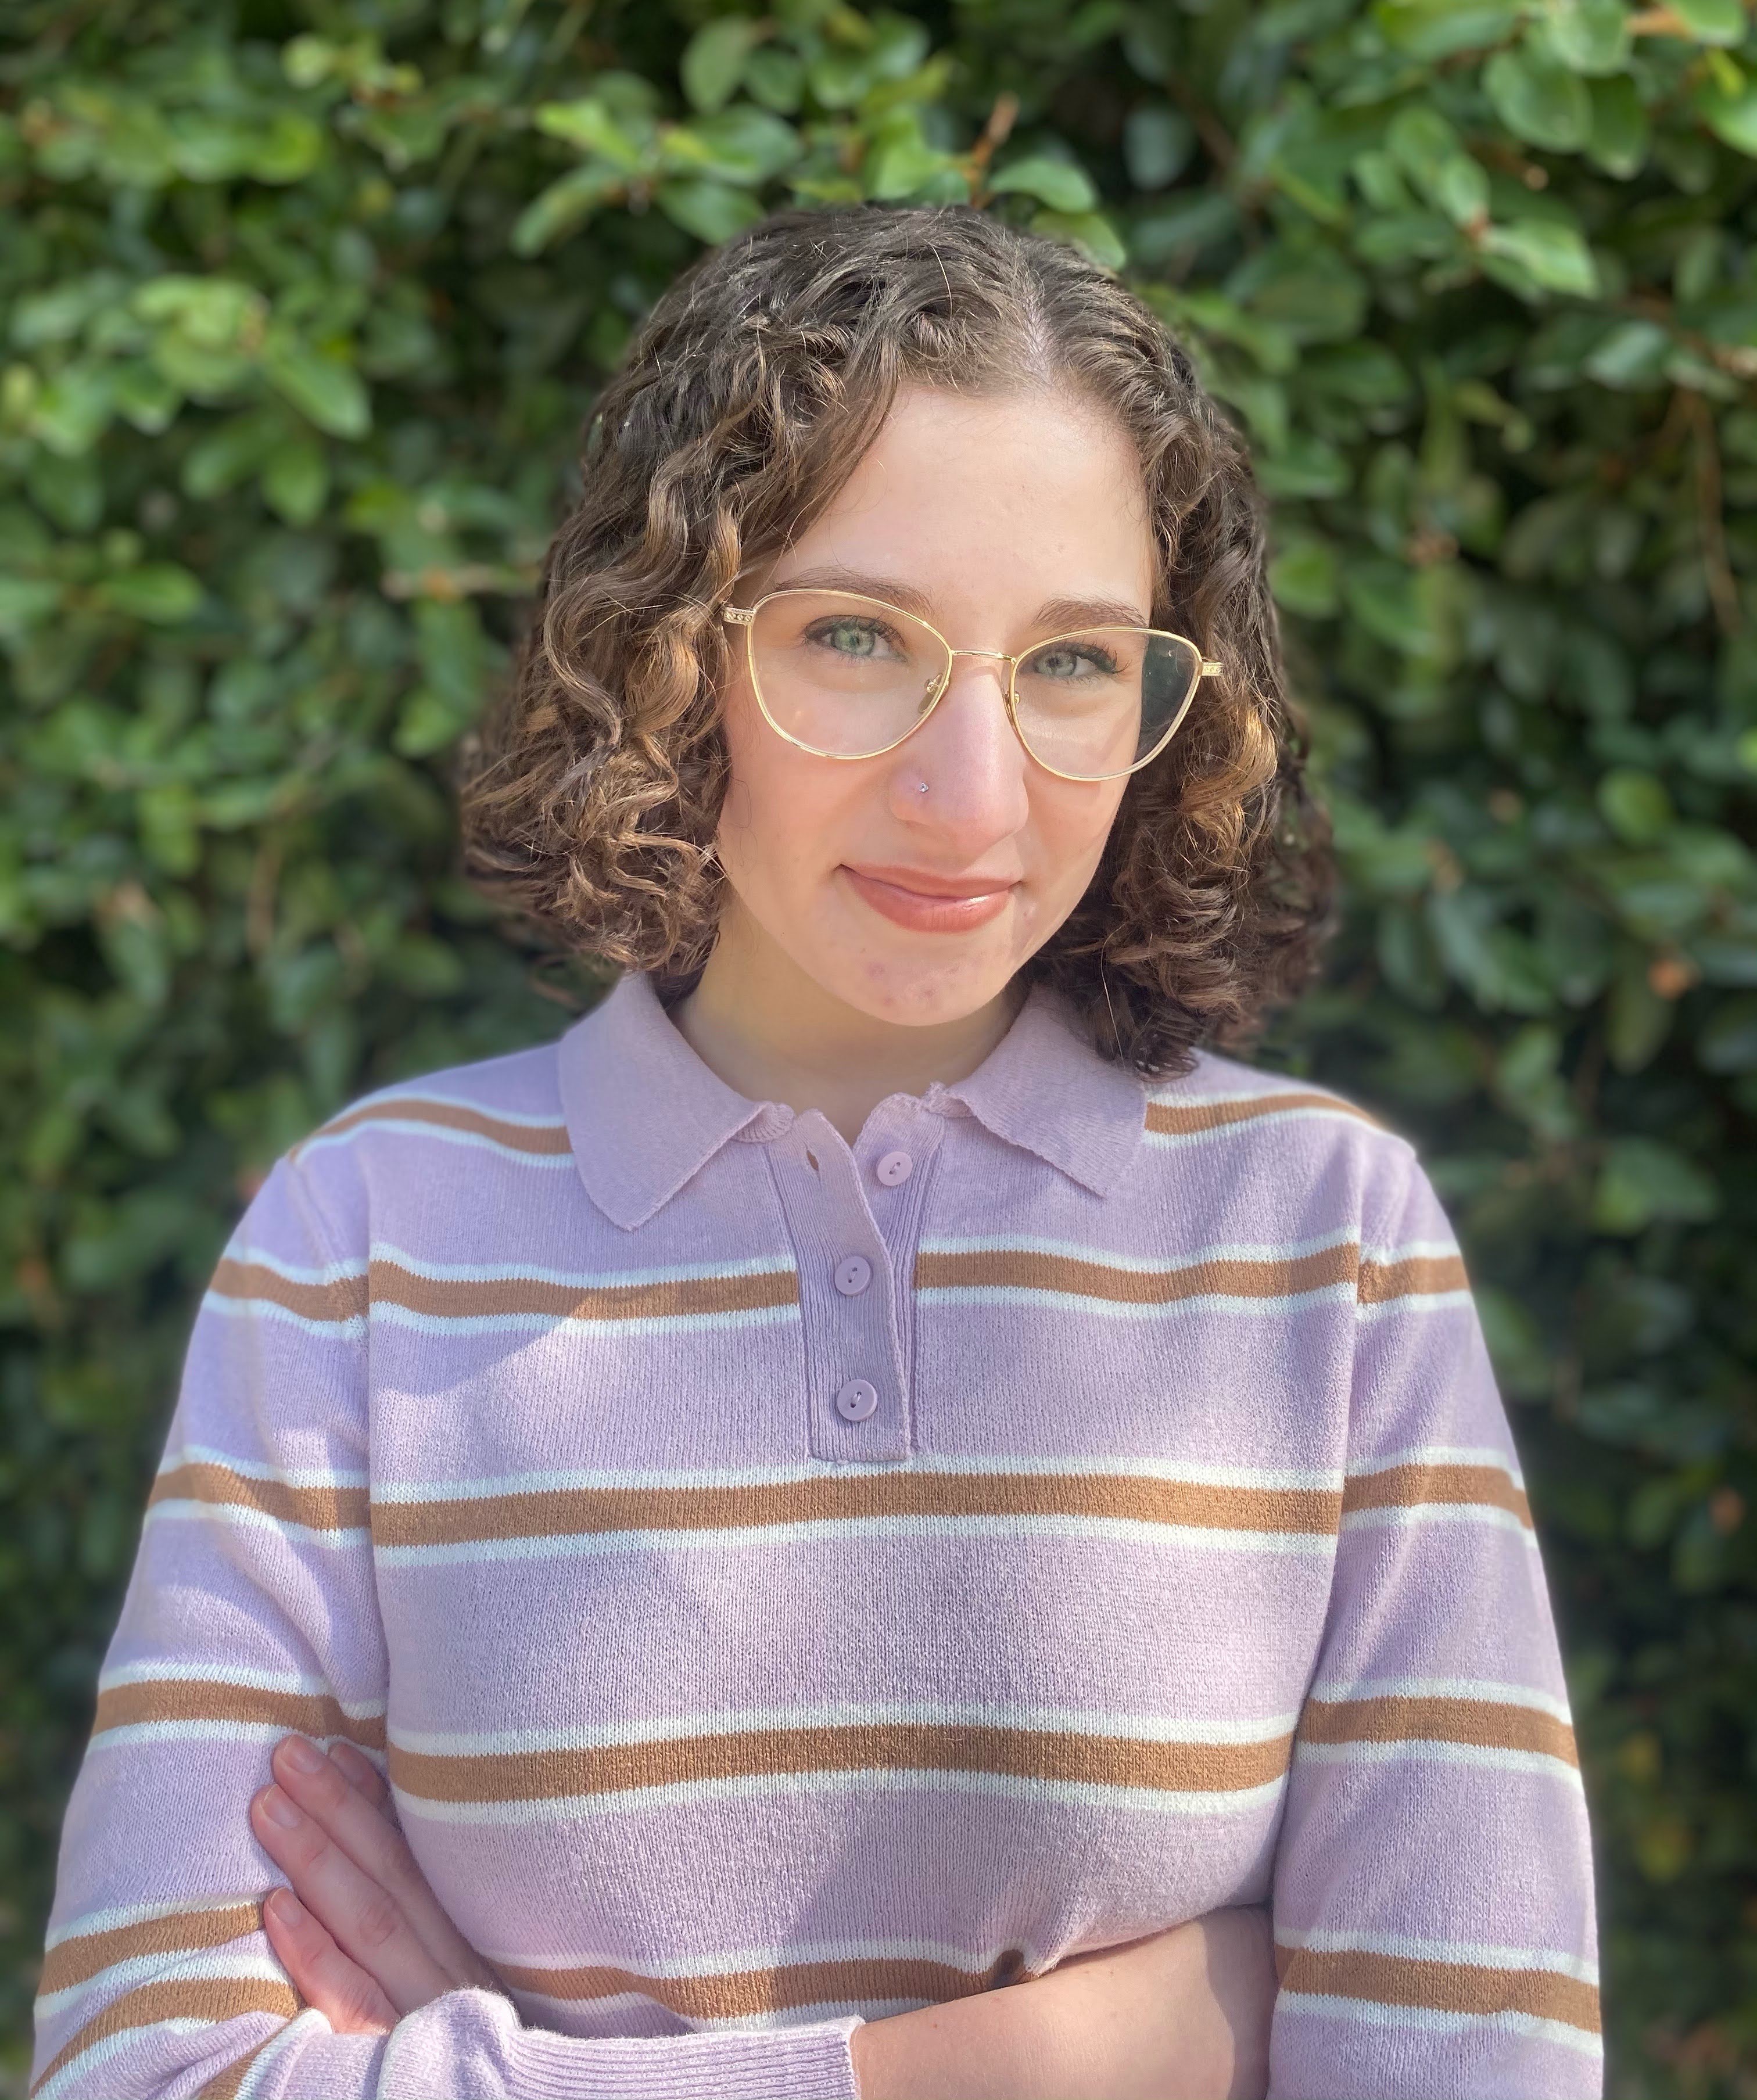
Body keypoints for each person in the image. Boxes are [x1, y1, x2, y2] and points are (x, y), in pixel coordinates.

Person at [31, 207, 1599, 2100]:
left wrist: (514, 2066)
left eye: (1077, 664)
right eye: (860, 638)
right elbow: (141, 2069)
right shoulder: (361, 1243)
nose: (977, 794)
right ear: (669, 656)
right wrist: (1051, 2060)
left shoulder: (1325, 1240)